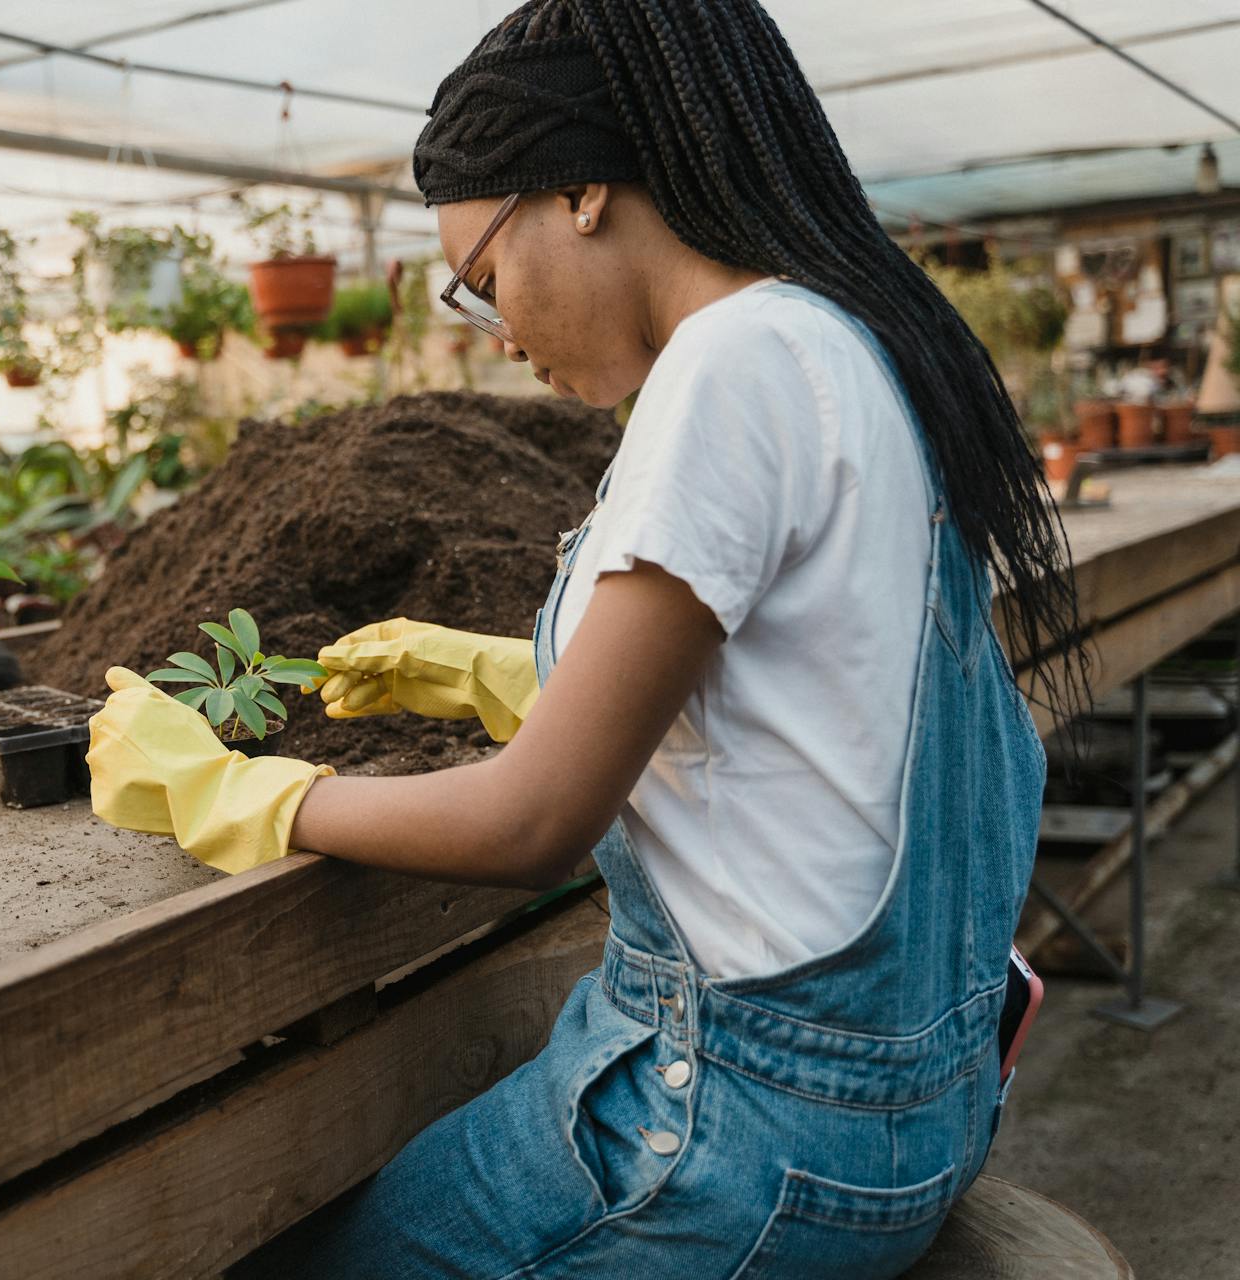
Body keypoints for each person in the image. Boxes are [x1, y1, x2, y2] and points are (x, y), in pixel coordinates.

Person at [87, 1, 1085, 1274]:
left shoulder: (730, 365)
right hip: (914, 1107)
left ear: (581, 193)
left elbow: (531, 823)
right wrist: (491, 670)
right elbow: (807, 693)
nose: (499, 334)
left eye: (485, 280)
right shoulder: (850, 344)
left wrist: (237, 791)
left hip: (739, 1128)